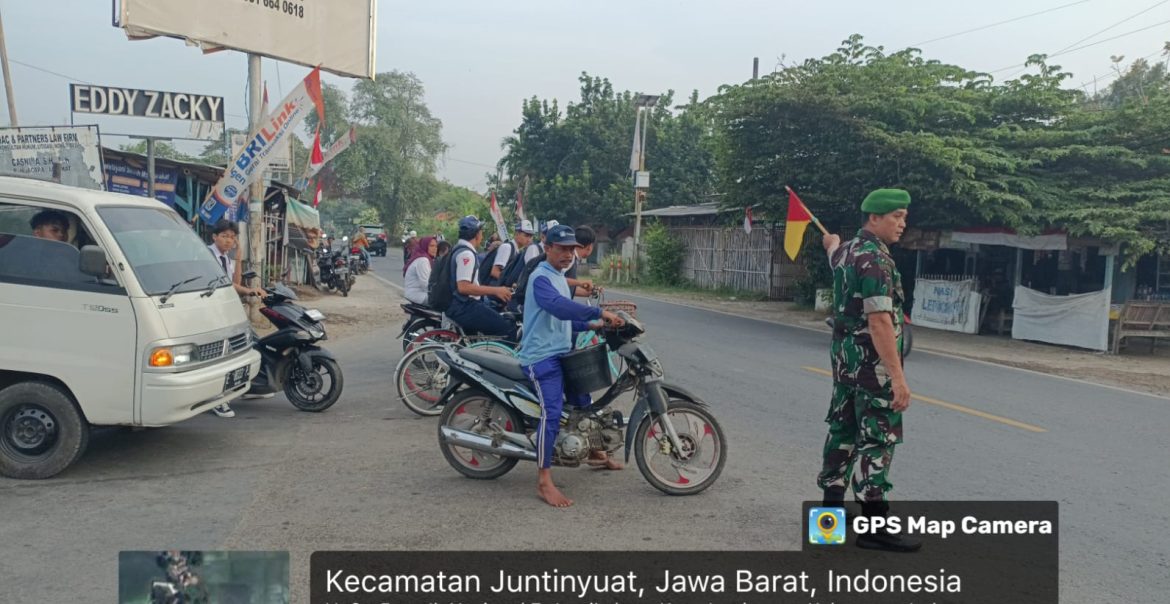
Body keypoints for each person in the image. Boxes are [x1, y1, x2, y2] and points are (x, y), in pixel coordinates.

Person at [817, 188, 919, 552]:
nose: (902, 224)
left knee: (841, 436)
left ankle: (828, 523)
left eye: (904, 217)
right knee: (876, 443)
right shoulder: (875, 261)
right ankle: (875, 528)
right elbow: (879, 322)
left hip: (844, 367)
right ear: (874, 218)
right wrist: (898, 377)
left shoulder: (847, 252)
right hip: (872, 372)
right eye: (896, 216)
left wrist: (831, 242)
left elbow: (833, 252)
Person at [519, 224, 624, 507]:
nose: (568, 254)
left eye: (572, 249)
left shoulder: (558, 277)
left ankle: (593, 452)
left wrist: (596, 323)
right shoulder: (541, 278)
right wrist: (597, 311)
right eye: (562, 249)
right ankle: (544, 481)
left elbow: (566, 319)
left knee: (584, 402)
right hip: (540, 357)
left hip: (563, 353)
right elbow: (558, 308)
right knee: (551, 413)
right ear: (547, 249)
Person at [206, 219, 266, 418]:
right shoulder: (208, 256)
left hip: (225, 311)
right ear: (214, 237)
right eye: (224, 236)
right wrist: (249, 291)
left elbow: (235, 283)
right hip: (210, 312)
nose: (228, 241)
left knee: (240, 348)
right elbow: (230, 286)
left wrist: (238, 257)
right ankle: (217, 399)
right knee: (219, 355)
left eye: (232, 238)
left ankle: (243, 386)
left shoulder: (225, 258)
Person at [444, 216, 517, 341]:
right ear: (477, 234)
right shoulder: (466, 254)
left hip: (458, 305)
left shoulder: (457, 249)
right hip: (464, 307)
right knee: (507, 328)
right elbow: (463, 287)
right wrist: (496, 290)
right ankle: (501, 360)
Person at [487, 219, 535, 285]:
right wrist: (511, 283)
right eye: (526, 235)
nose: (529, 239)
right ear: (517, 234)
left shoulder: (517, 250)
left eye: (531, 236)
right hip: (496, 291)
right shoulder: (507, 247)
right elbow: (494, 272)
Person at [403, 236, 437, 304]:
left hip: (416, 293)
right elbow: (425, 284)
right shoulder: (423, 260)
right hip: (418, 295)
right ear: (425, 246)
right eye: (431, 246)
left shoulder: (424, 258)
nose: (435, 249)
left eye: (436, 246)